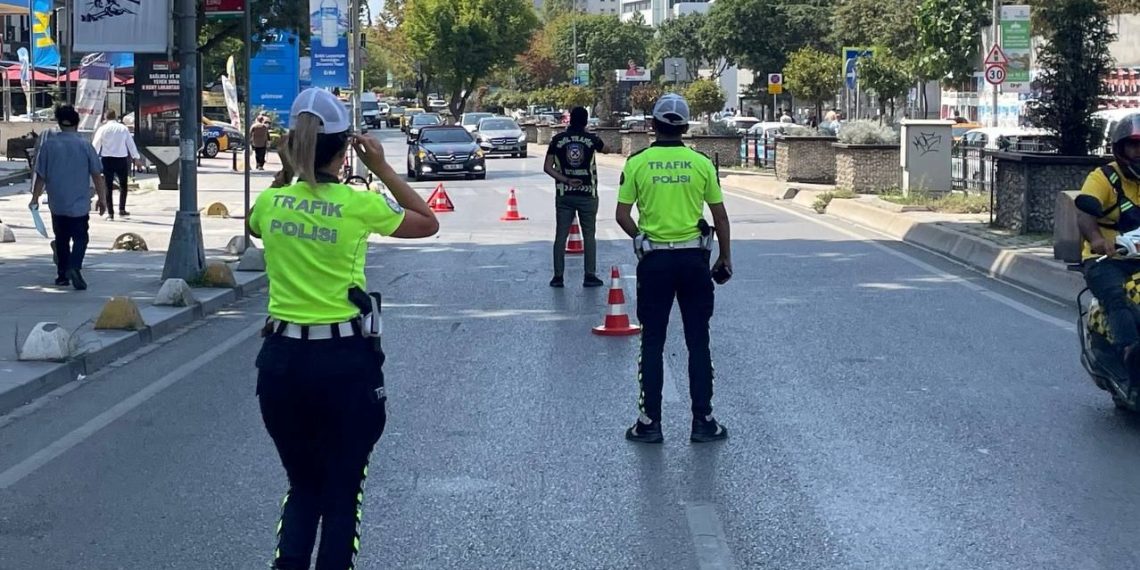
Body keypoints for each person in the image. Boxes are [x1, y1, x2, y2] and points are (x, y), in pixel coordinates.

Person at [248, 87, 439, 570]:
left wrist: (293, 167)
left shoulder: (271, 205)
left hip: (280, 365)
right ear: (346, 148)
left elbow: (256, 224)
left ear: (293, 144)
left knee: (303, 485)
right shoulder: (358, 204)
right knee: (341, 490)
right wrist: (383, 169)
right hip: (342, 364)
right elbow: (426, 221)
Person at [615, 93, 732, 444]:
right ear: (685, 125)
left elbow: (622, 215)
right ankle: (703, 421)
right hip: (694, 262)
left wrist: (642, 240)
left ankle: (650, 423)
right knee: (699, 341)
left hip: (655, 263)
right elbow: (720, 217)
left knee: (652, 342)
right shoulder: (700, 164)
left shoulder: (637, 162)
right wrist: (724, 258)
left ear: (653, 125)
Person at [1077, 114, 1140, 379]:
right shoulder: (1103, 177)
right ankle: (1130, 352)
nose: (1139, 152)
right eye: (1134, 145)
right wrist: (1098, 240)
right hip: (1106, 259)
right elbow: (1085, 211)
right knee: (1116, 296)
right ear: (1121, 148)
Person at [29, 105, 107, 290]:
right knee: (81, 238)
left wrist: (35, 198)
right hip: (79, 202)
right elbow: (97, 174)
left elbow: (41, 175)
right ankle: (75, 265)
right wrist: (102, 198)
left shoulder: (49, 145)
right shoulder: (85, 145)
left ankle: (62, 275)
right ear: (77, 123)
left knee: (61, 238)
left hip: (57, 202)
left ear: (58, 122)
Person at [544, 106, 605, 288]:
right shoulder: (591, 139)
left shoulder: (557, 139)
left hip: (564, 194)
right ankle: (589, 275)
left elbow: (547, 167)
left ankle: (558, 277)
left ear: (570, 120)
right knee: (589, 236)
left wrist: (566, 180)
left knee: (560, 236)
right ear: (586, 121)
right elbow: (607, 149)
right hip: (587, 193)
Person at [91, 109, 142, 219]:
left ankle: (110, 213)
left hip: (107, 159)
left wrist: (92, 158)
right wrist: (136, 158)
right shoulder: (123, 128)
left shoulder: (102, 129)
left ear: (105, 117)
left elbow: (95, 145)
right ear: (116, 116)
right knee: (123, 185)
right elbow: (130, 144)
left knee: (108, 186)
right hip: (121, 159)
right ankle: (122, 209)